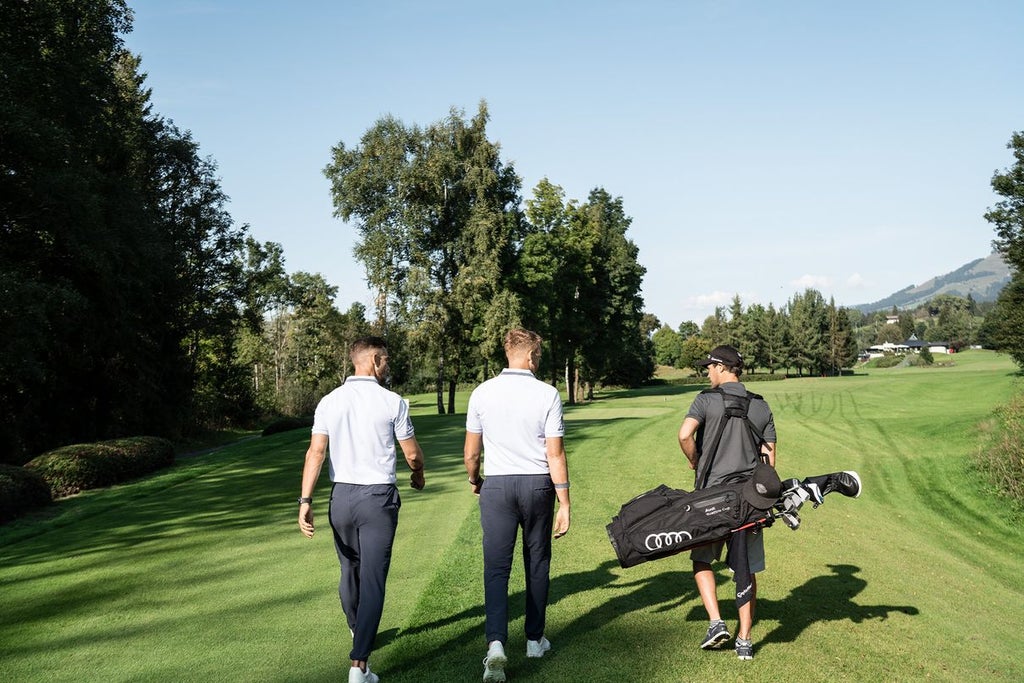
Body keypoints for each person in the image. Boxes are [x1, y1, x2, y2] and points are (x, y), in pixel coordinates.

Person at [298, 336, 426, 683]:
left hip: (340, 498)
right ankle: (360, 667)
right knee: (372, 579)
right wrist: (418, 473)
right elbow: (412, 454)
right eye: (386, 360)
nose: (388, 366)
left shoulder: (329, 401)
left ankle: (358, 630)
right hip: (377, 498)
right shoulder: (392, 402)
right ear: (373, 361)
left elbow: (315, 453)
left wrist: (305, 501)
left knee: (349, 570)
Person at [464, 328, 571, 683]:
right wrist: (565, 501)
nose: (537, 361)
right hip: (537, 484)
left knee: (496, 568)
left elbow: (471, 453)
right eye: (537, 356)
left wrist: (474, 480)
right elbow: (554, 453)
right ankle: (534, 640)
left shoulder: (482, 392)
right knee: (536, 562)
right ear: (528, 357)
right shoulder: (547, 393)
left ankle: (496, 643)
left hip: (497, 485)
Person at [677, 344, 777, 662]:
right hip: (749, 500)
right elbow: (770, 460)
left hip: (711, 498)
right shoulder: (761, 406)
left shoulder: (706, 400)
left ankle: (716, 623)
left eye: (709, 366)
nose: (707, 371)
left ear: (722, 367)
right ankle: (745, 641)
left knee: (702, 559)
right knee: (745, 568)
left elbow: (684, 435)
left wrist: (695, 460)